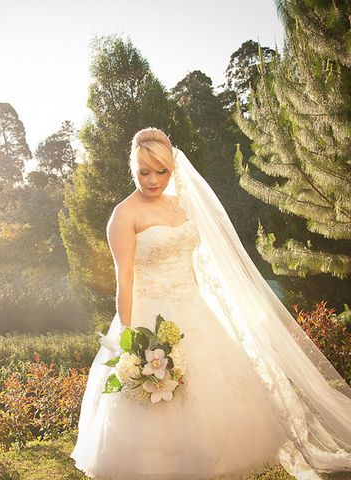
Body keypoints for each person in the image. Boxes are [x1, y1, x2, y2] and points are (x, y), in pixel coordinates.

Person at [69, 127, 351, 480]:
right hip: (148, 318)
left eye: (162, 171)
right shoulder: (124, 216)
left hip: (194, 310)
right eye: (144, 171)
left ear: (172, 169)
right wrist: (131, 341)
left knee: (217, 394)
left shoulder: (183, 205)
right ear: (133, 168)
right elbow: (123, 281)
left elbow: (199, 263)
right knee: (158, 406)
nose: (153, 180)